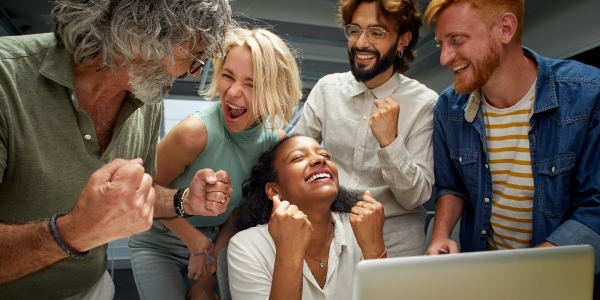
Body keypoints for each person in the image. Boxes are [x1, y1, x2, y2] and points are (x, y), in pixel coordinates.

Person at [0, 0, 233, 299]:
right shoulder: (8, 80)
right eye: (195, 55)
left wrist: (184, 200)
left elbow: (141, 193)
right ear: (142, 30)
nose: (193, 71)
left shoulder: (146, 98)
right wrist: (71, 233)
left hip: (94, 288)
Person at [423, 0, 600, 292]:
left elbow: (595, 206)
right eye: (442, 43)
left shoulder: (588, 95)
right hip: (484, 282)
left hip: (560, 283)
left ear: (505, 28)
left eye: (456, 40)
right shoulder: (448, 107)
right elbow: (452, 186)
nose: (444, 57)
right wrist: (439, 234)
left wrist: (526, 275)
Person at [129, 27, 302, 300]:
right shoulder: (193, 133)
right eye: (228, 76)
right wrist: (195, 243)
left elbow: (240, 210)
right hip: (160, 238)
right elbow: (141, 190)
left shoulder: (275, 142)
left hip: (218, 241)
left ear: (274, 89)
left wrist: (211, 263)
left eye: (251, 83)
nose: (233, 92)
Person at [293, 0, 438, 257]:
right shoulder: (327, 90)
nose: (361, 43)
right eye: (356, 30)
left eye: (376, 32)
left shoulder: (424, 103)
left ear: (403, 40)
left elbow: (415, 197)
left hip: (397, 241)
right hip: (331, 233)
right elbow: (294, 159)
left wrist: (390, 142)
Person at [228, 135, 387, 299]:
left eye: (325, 155)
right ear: (274, 190)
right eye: (298, 157)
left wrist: (376, 249)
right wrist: (288, 251)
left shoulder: (361, 229)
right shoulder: (246, 247)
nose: (319, 159)